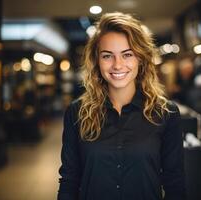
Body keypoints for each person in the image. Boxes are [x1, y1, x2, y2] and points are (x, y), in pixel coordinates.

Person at [57, 12, 186, 200]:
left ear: (140, 59)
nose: (118, 65)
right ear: (96, 61)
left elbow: (175, 183)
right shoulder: (77, 112)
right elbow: (69, 180)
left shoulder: (166, 113)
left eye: (127, 55)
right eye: (107, 56)